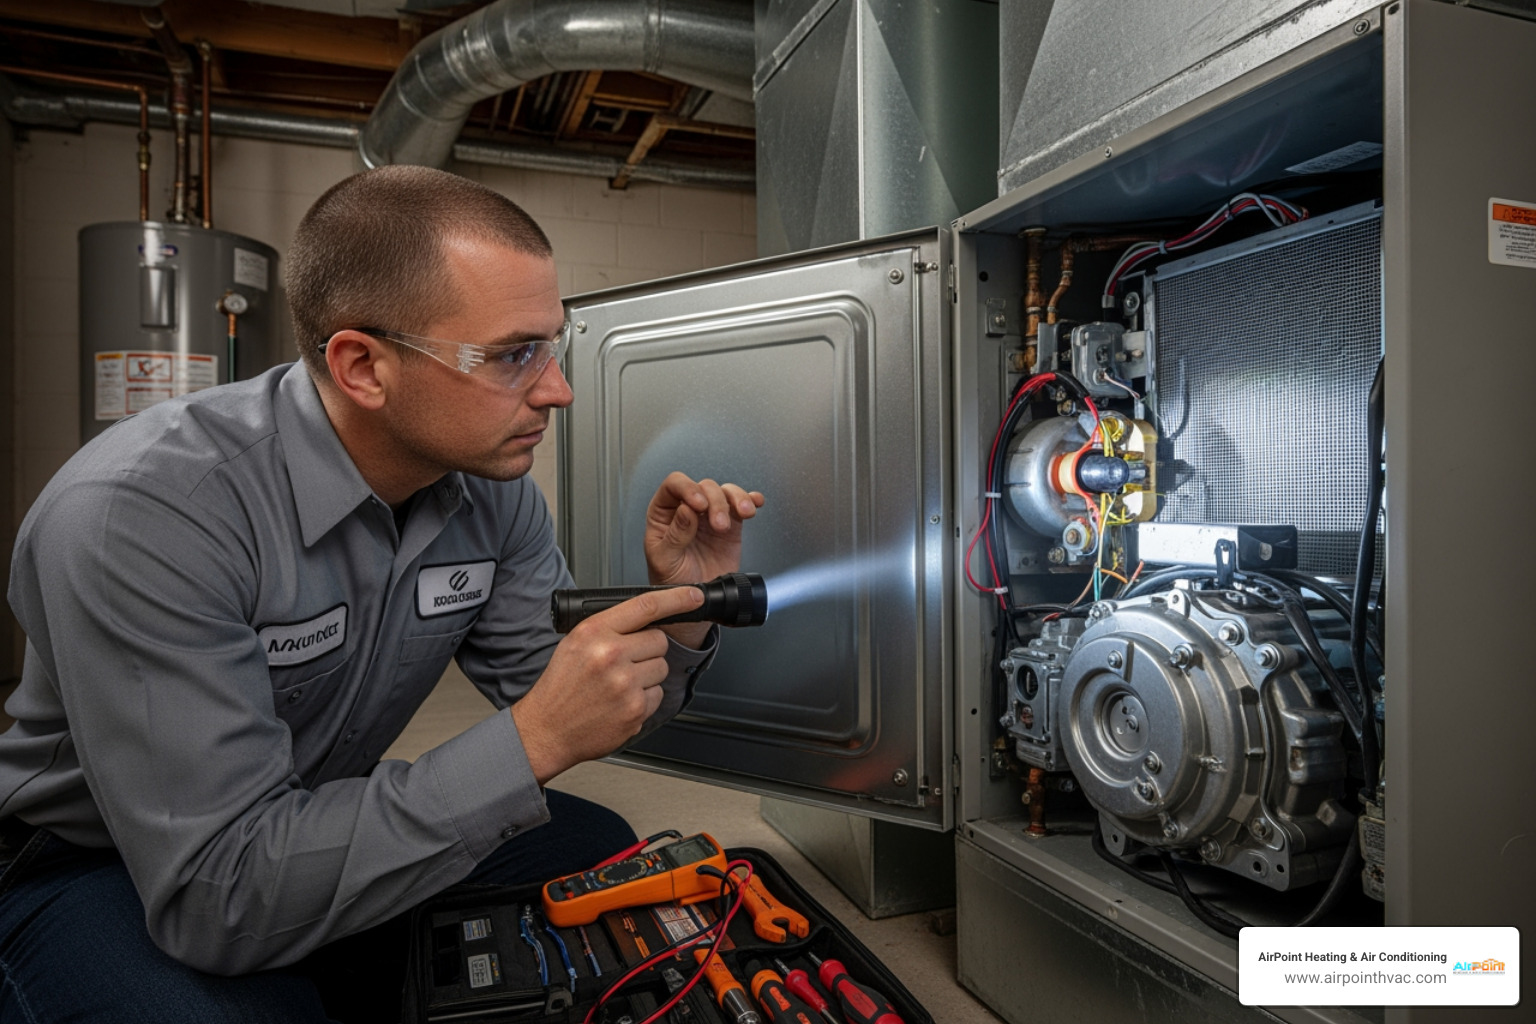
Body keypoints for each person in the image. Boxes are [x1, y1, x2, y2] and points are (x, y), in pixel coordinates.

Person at [0, 165, 763, 1022]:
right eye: (513, 355)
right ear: (363, 366)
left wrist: (686, 614)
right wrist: (534, 738)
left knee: (597, 852)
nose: (557, 390)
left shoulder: (493, 491)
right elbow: (217, 893)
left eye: (553, 345)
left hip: (313, 810)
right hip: (109, 862)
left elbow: (573, 700)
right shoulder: (144, 517)